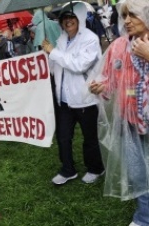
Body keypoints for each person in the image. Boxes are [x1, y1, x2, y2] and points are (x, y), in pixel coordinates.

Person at [89, 0, 149, 225]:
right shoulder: (118, 46)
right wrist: (100, 87)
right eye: (123, 15)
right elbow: (108, 79)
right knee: (138, 175)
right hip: (129, 122)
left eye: (132, 14)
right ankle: (144, 218)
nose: (126, 21)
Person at [41, 2, 105, 185]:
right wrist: (46, 57)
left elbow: (78, 66)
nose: (68, 22)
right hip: (64, 100)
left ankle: (95, 168)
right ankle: (68, 169)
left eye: (71, 18)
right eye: (64, 19)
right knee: (63, 137)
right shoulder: (61, 40)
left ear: (79, 19)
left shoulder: (90, 39)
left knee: (89, 138)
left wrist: (53, 52)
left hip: (85, 98)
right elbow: (57, 67)